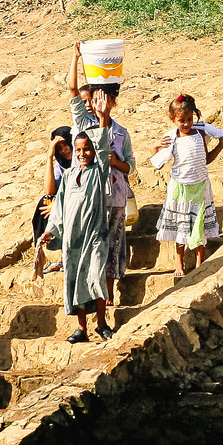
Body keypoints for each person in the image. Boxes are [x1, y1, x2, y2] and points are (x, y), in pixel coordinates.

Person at [67, 48, 134, 304]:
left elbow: (131, 166)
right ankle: (87, 295)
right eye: (95, 99)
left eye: (104, 99)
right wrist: (76, 58)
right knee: (91, 245)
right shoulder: (83, 125)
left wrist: (116, 162)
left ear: (112, 102)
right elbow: (72, 90)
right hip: (87, 196)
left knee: (112, 246)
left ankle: (106, 293)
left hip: (114, 196)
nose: (98, 104)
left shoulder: (121, 132)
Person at [48, 113, 116, 343]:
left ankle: (102, 323)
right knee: (75, 279)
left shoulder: (99, 171)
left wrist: (103, 116)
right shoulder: (68, 176)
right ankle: (81, 328)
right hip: (72, 240)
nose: (82, 154)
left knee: (96, 276)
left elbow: (104, 147)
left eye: (86, 149)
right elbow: (59, 207)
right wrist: (51, 230)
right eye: (78, 150)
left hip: (95, 235)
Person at [151, 94, 223, 276]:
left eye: (189, 119)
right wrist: (155, 147)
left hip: (200, 185)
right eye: (181, 120)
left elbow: (206, 160)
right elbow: (157, 160)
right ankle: (179, 263)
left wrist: (221, 145)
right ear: (173, 119)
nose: (186, 124)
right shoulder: (172, 138)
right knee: (181, 225)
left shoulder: (201, 133)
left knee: (198, 224)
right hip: (181, 188)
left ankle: (200, 262)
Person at [31, 126, 73, 277]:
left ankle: (68, 255)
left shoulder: (82, 160)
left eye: (66, 145)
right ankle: (56, 252)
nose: (65, 150)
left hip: (80, 204)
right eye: (59, 148)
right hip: (64, 204)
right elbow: (49, 191)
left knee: (53, 205)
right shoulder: (61, 166)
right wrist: (49, 157)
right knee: (45, 201)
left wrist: (58, 207)